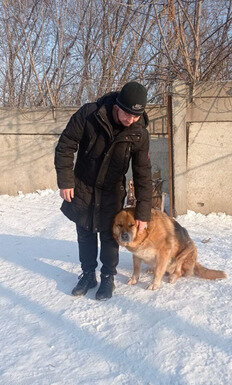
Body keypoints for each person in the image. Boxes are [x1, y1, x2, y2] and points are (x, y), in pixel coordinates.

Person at [54, 81, 152, 300]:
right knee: (85, 231)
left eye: (136, 116)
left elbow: (143, 173)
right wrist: (66, 181)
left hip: (112, 191)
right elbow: (66, 145)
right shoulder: (90, 114)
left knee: (110, 236)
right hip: (83, 185)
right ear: (117, 105)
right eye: (127, 114)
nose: (131, 120)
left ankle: (108, 277)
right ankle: (88, 275)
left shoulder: (139, 133)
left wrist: (143, 214)